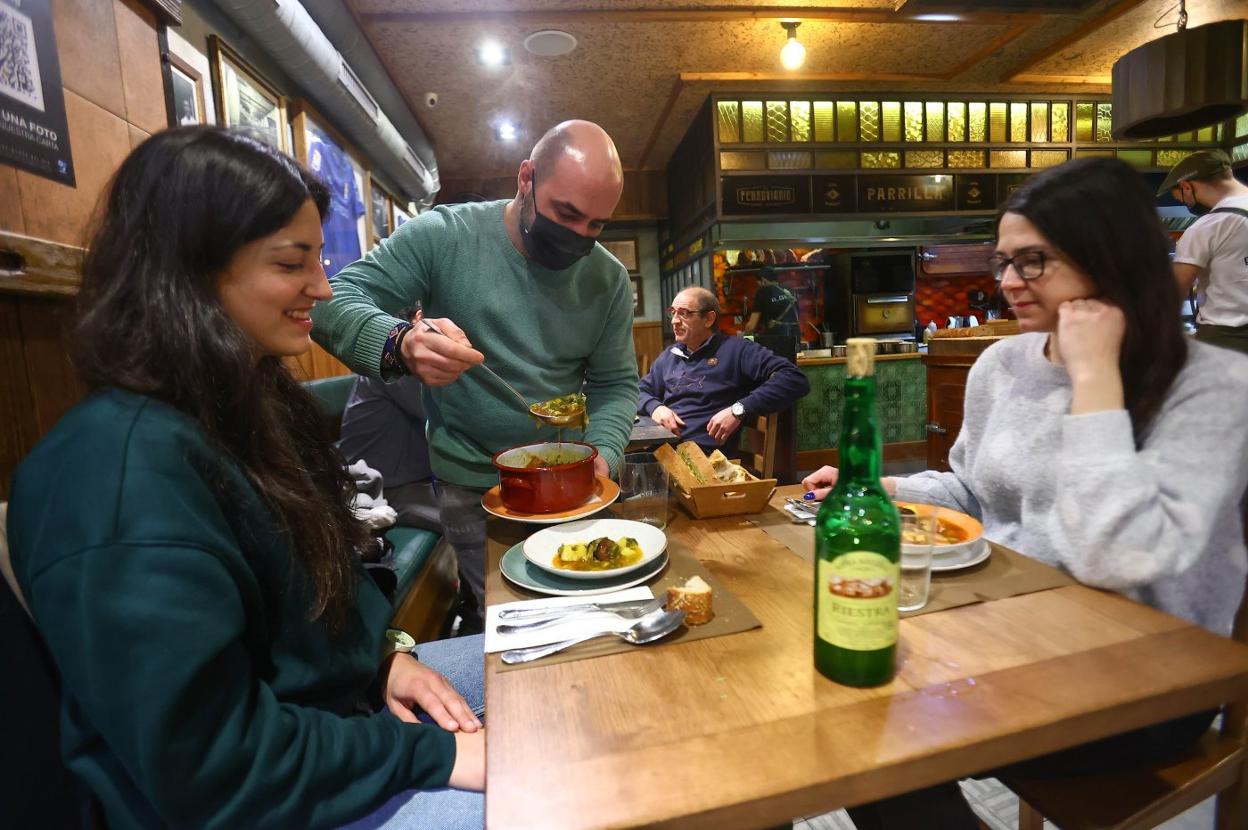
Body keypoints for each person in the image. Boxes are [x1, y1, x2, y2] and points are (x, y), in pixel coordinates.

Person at [6, 126, 484, 829]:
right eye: (292, 263)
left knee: (538, 677)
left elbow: (314, 596)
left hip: (339, 719)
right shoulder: (113, 474)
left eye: (319, 259)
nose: (323, 288)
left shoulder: (241, 407)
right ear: (189, 270)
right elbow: (215, 769)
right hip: (259, 798)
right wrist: (429, 755)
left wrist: (385, 655)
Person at [802, 157, 1248, 829]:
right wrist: (881, 484)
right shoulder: (1003, 363)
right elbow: (972, 489)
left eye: (1033, 261)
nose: (1008, 281)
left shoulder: (1213, 387)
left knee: (873, 732)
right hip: (1006, 633)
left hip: (1147, 681)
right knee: (845, 690)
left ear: (1111, 257)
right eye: (1003, 261)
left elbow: (1117, 558)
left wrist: (1094, 378)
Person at [310, 120, 639, 627]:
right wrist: (401, 343)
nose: (578, 237)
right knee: (505, 625)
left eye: (596, 226)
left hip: (569, 480)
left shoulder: (608, 278)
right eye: (566, 214)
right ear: (526, 177)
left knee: (581, 616)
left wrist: (604, 456)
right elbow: (329, 304)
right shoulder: (445, 236)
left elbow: (615, 384)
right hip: (472, 487)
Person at [641, 286, 809, 452]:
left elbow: (794, 378)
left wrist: (739, 409)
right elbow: (638, 392)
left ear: (709, 319)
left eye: (684, 313)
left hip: (704, 457)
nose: (674, 321)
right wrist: (655, 407)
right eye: (673, 312)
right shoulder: (670, 355)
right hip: (661, 450)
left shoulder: (737, 350)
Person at [339, 308, 440, 533]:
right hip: (382, 489)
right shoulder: (395, 361)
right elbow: (447, 418)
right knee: (478, 522)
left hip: (413, 481)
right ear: (420, 317)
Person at [1161, 149, 1248, 355]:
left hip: (1227, 340)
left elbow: (1173, 293)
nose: (1186, 204)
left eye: (1183, 199)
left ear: (1187, 186)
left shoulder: (1208, 227)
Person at [743, 270, 801, 342]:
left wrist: (744, 338)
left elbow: (751, 326)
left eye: (758, 283)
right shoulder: (790, 290)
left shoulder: (763, 291)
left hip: (777, 339)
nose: (759, 286)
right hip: (796, 336)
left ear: (763, 280)